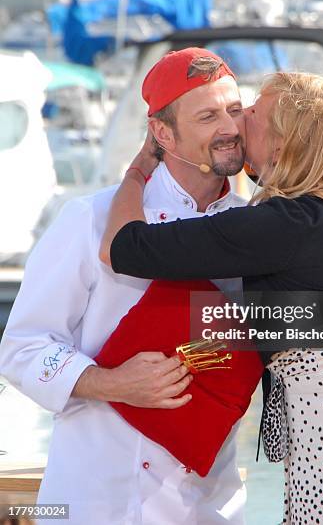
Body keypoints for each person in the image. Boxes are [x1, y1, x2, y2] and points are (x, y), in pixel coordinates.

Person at [100, 72, 323, 524]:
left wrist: (139, 170)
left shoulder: (284, 223)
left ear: (282, 145)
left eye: (251, 113)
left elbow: (122, 247)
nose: (238, 122)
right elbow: (318, 324)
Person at [0, 48, 251, 525]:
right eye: (208, 115)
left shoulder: (258, 228)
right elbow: (21, 348)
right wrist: (112, 383)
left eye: (235, 110)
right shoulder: (89, 220)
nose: (230, 127)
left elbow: (296, 328)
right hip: (96, 504)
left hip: (207, 509)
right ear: (162, 132)